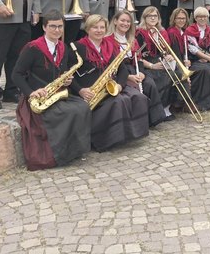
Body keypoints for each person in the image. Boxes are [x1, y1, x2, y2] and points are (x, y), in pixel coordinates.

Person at [12, 11, 91, 170]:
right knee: (64, 113)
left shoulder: (63, 47)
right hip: (38, 96)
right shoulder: (32, 48)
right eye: (53, 26)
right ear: (44, 27)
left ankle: (72, 152)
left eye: (60, 26)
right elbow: (16, 75)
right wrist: (31, 92)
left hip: (57, 93)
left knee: (82, 107)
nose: (57, 30)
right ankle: (58, 155)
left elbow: (64, 72)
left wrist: (68, 81)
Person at [71, 14, 149, 152]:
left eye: (102, 27)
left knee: (139, 97)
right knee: (119, 101)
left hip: (110, 85)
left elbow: (123, 70)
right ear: (88, 29)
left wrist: (119, 85)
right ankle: (107, 140)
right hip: (90, 90)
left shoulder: (109, 45)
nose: (99, 30)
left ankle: (131, 135)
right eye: (95, 27)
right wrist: (80, 90)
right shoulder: (78, 47)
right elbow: (70, 75)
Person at [107, 10, 165, 127]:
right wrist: (128, 77)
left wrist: (142, 73)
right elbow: (111, 64)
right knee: (136, 88)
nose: (126, 24)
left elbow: (138, 59)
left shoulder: (132, 39)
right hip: (119, 72)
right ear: (115, 21)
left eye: (128, 21)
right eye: (122, 20)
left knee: (149, 83)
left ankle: (152, 119)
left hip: (134, 68)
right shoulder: (108, 40)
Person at [135, 6, 175, 120]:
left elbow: (164, 51)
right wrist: (152, 66)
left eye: (155, 16)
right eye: (150, 16)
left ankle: (166, 107)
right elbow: (137, 56)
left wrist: (168, 56)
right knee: (160, 77)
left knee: (174, 74)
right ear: (144, 18)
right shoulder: (139, 33)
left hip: (158, 61)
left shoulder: (161, 32)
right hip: (145, 64)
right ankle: (157, 111)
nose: (153, 18)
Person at [184, 7, 210, 110]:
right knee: (207, 70)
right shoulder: (190, 30)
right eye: (200, 17)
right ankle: (203, 102)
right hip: (195, 60)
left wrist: (209, 58)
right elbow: (193, 49)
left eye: (205, 17)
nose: (202, 19)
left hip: (208, 58)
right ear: (195, 18)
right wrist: (207, 59)